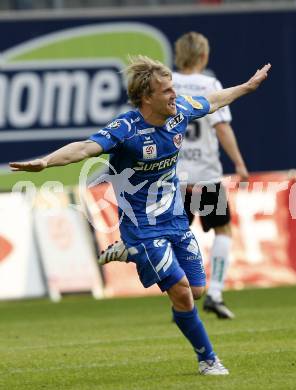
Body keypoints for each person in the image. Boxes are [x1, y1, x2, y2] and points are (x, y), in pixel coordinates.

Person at [9, 55, 271, 375]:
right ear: (147, 98)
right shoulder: (126, 128)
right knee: (182, 294)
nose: (175, 95)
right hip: (141, 226)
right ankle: (208, 359)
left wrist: (247, 86)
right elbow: (83, 148)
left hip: (174, 218)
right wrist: (46, 162)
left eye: (173, 89)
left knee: (199, 290)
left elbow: (214, 100)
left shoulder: (179, 113)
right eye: (166, 91)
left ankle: (128, 252)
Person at [172, 32, 249, 320]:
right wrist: (239, 163)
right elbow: (222, 127)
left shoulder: (167, 83)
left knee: (177, 234)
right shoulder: (209, 84)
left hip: (174, 176)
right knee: (223, 231)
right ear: (203, 56)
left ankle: (179, 294)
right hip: (205, 176)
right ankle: (214, 292)